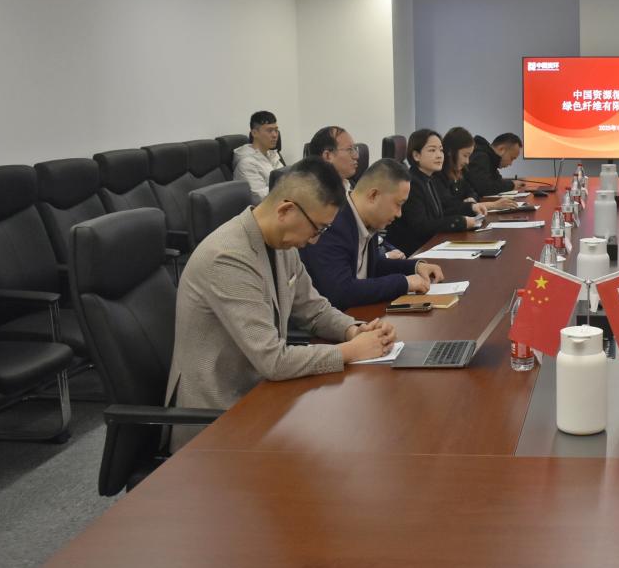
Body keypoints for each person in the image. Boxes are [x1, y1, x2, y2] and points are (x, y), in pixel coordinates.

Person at [165, 159, 396, 450]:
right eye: (317, 229)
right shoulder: (227, 257)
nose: (315, 241)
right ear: (286, 210)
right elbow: (272, 360)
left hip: (264, 396)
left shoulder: (280, 242)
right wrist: (350, 351)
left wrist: (354, 330)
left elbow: (314, 309)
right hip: (217, 420)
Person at [301, 156, 443, 309]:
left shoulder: (368, 220)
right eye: (398, 204)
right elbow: (341, 291)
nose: (399, 213)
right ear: (373, 195)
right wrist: (404, 283)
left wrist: (415, 267)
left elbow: (372, 266)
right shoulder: (333, 222)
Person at [388, 130, 484, 255]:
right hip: (413, 252)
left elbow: (441, 213)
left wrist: (470, 208)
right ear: (416, 155)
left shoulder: (429, 178)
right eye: (432, 150)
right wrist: (460, 222)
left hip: (430, 245)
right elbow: (421, 226)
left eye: (441, 150)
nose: (439, 155)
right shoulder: (412, 184)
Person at [438, 127, 513, 212]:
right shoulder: (438, 175)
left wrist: (471, 198)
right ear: (450, 152)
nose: (467, 161)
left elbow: (471, 190)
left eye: (469, 156)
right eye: (465, 155)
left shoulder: (461, 171)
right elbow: (449, 206)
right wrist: (492, 205)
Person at [234, 110, 287, 204]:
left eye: (276, 130)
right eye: (269, 131)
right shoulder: (246, 163)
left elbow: (286, 179)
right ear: (254, 133)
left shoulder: (272, 155)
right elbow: (260, 199)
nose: (275, 135)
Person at [466, 132, 526, 197]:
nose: (510, 164)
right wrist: (512, 185)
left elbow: (497, 181)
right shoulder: (480, 157)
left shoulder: (490, 159)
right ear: (501, 149)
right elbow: (484, 188)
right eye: (512, 158)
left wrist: (512, 184)